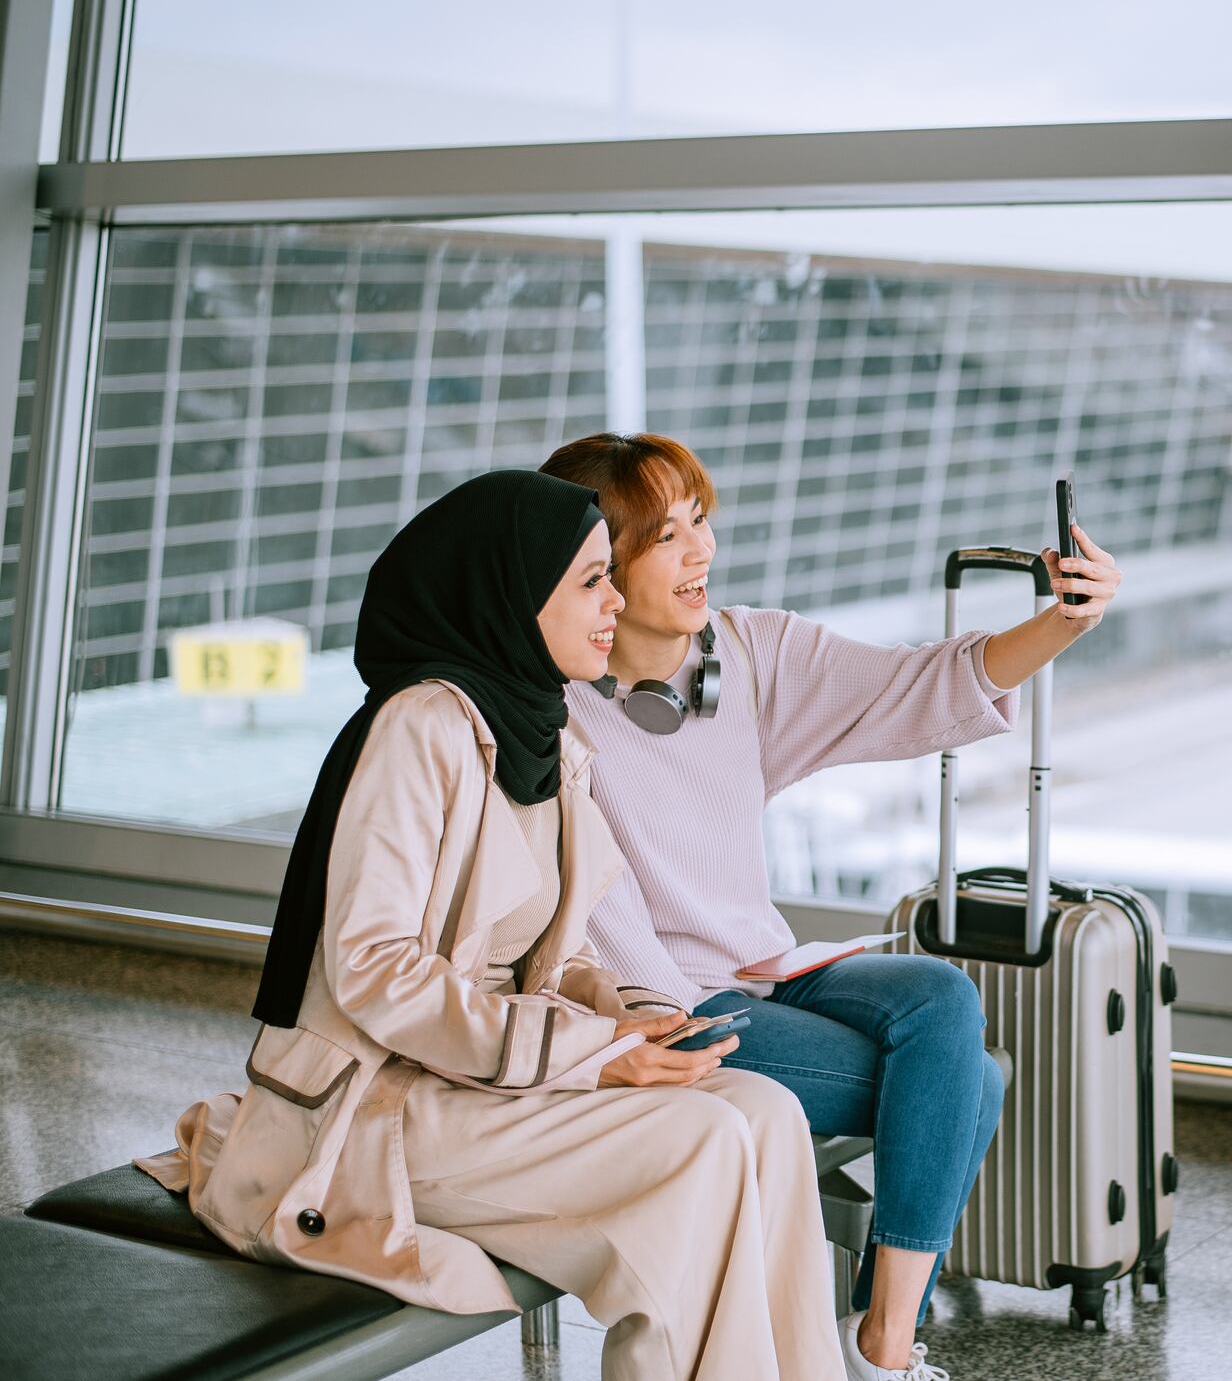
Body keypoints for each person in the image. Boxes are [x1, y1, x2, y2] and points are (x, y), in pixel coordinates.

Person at [136, 470, 843, 1381]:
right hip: (385, 1105)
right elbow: (374, 968)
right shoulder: (421, 726)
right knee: (700, 1141)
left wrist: (619, 1010)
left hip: (488, 1079)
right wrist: (591, 1054)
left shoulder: (543, 728)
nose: (616, 602)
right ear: (513, 592)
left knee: (763, 1109)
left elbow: (557, 942)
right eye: (591, 580)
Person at [539, 433, 1124, 1381]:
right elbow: (597, 918)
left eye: (702, 523)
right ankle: (883, 1347)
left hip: (761, 970)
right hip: (654, 1004)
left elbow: (921, 681)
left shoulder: (748, 649)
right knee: (968, 1080)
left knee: (937, 995)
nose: (701, 553)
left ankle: (876, 1342)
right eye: (665, 537)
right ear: (595, 564)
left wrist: (1063, 620)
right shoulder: (550, 712)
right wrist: (657, 1015)